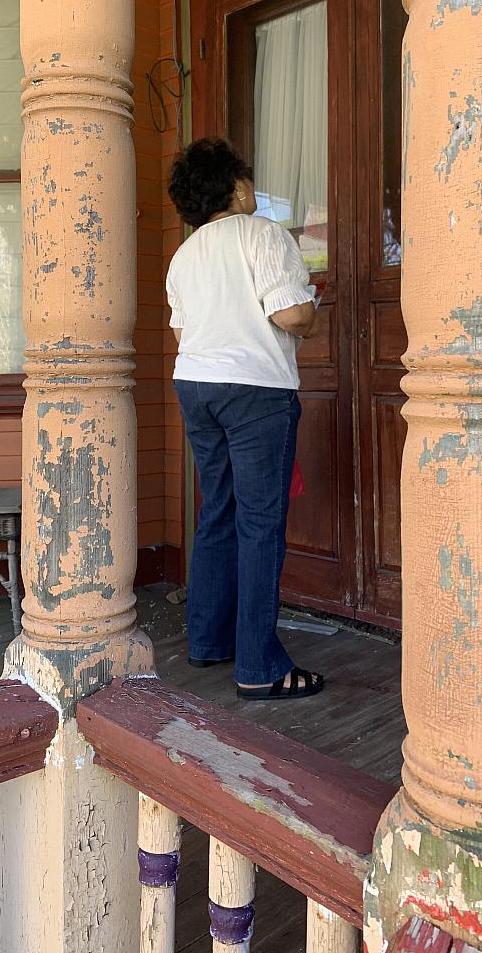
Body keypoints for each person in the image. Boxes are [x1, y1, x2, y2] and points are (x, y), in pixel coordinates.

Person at [166, 136, 324, 701]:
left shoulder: (184, 256)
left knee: (219, 512)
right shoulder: (263, 236)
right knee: (261, 523)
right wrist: (313, 308)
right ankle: (259, 664)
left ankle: (209, 639)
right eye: (248, 179)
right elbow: (293, 313)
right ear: (234, 186)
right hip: (255, 389)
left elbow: (184, 334)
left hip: (196, 384)